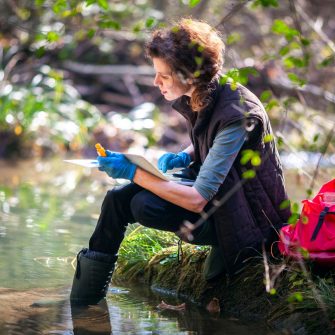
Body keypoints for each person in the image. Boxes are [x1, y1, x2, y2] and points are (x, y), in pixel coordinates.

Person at [70, 18, 291, 305]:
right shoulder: (208, 90)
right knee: (117, 199)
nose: (155, 82)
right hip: (224, 196)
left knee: (143, 205)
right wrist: (185, 155)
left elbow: (197, 199)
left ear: (189, 74)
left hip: (246, 218)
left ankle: (226, 249)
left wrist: (133, 171)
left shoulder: (239, 114)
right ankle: (84, 302)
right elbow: (212, 138)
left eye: (163, 75)